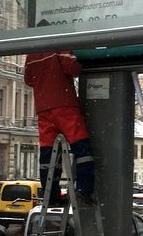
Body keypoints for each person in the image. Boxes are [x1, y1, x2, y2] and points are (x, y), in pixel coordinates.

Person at [24, 47, 95, 203]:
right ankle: (84, 190)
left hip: (43, 108)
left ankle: (51, 195)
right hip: (64, 104)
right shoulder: (59, 47)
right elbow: (73, 67)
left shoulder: (31, 54)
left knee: (48, 153)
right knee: (82, 147)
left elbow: (28, 79)